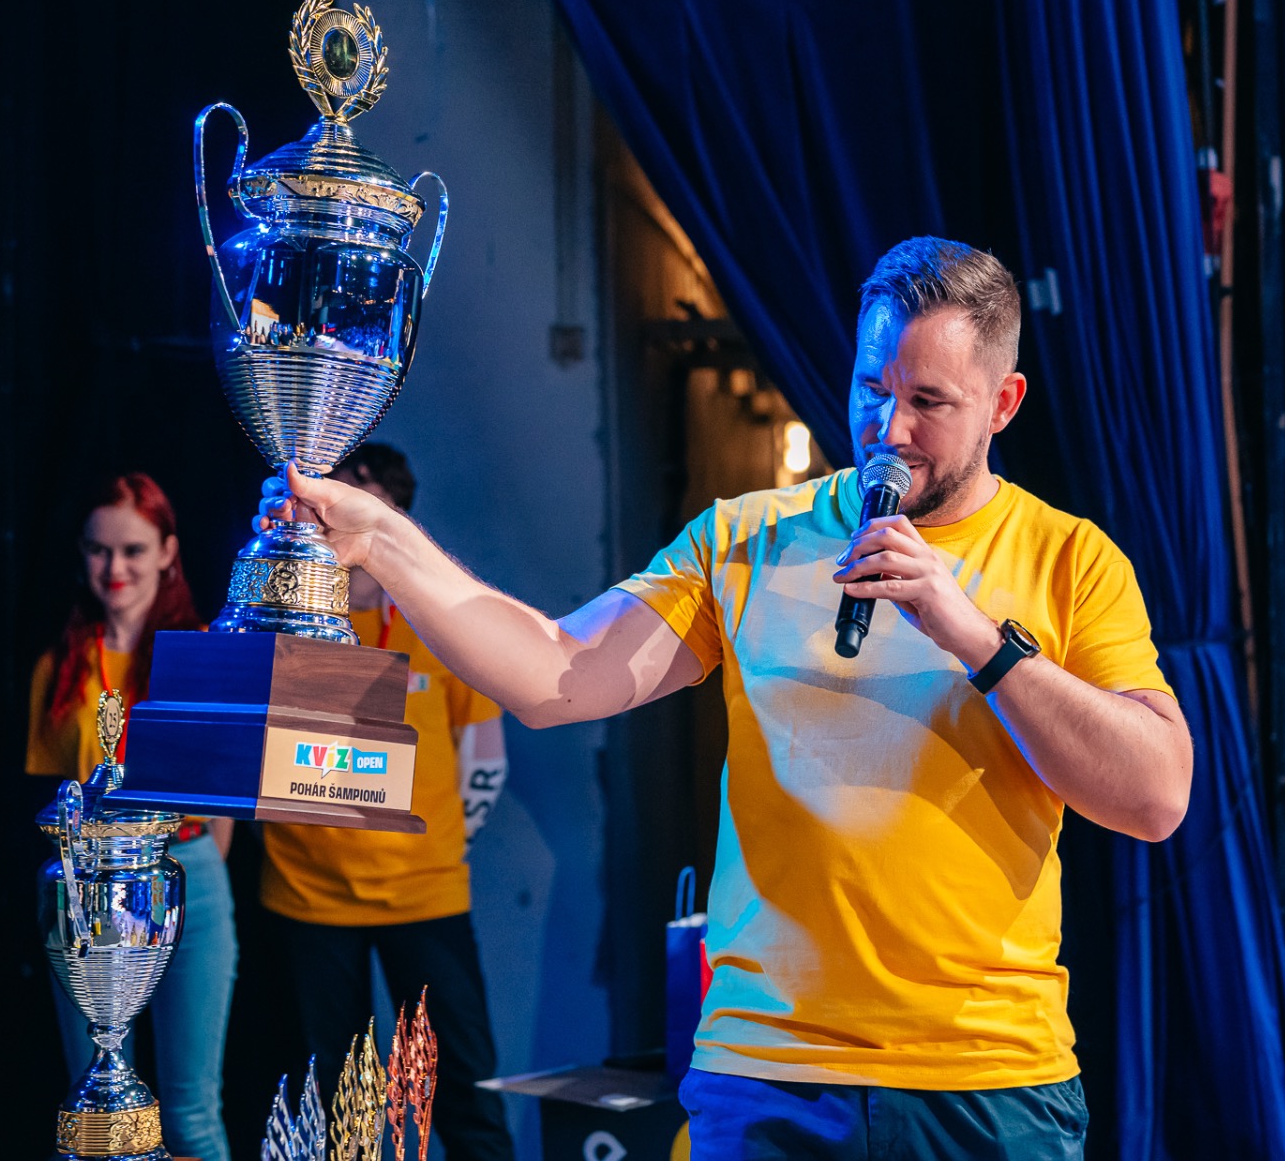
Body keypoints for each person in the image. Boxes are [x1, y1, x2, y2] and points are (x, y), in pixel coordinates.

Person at [256, 238, 1193, 1160]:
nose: (889, 427)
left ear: (1003, 402)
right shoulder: (746, 539)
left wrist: (976, 636)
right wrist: (383, 541)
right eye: (872, 387)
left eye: (928, 402)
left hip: (988, 1081)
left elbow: (1155, 794)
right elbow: (555, 672)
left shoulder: (1072, 560)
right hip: (767, 1074)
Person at [258, 443, 515, 1161]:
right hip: (309, 895)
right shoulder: (288, 615)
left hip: (424, 896)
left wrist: (438, 844)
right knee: (332, 1109)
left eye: (363, 507)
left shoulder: (438, 621)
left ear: (396, 516)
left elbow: (486, 762)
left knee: (464, 1091)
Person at [26, 471, 237, 1161]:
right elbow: (57, 802)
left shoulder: (200, 656)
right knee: (99, 1104)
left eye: (133, 549)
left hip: (187, 876)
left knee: (191, 1113)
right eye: (98, 549)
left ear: (168, 551)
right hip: (85, 890)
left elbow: (223, 793)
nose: (114, 567)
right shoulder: (60, 665)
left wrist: (189, 876)